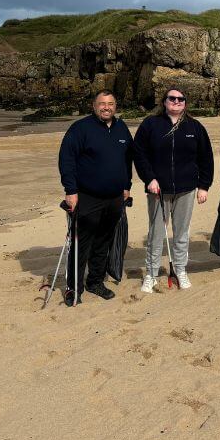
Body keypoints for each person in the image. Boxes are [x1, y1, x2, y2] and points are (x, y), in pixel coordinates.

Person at [133, 88, 213, 293]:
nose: (176, 102)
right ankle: (151, 273)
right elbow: (139, 154)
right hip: (158, 189)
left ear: (185, 103)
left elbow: (205, 158)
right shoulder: (151, 124)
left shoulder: (194, 127)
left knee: (181, 233)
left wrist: (204, 186)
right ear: (164, 101)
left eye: (180, 99)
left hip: (186, 189)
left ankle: (179, 269)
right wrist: (149, 178)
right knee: (156, 233)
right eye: (172, 98)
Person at [58, 90, 132, 306]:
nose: (106, 107)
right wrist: (70, 190)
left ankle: (95, 282)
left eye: (110, 103)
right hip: (87, 197)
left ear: (116, 106)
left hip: (114, 198)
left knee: (103, 243)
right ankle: (74, 288)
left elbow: (128, 159)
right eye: (102, 103)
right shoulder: (80, 129)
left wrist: (126, 186)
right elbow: (66, 160)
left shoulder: (121, 128)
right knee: (82, 244)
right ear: (94, 106)